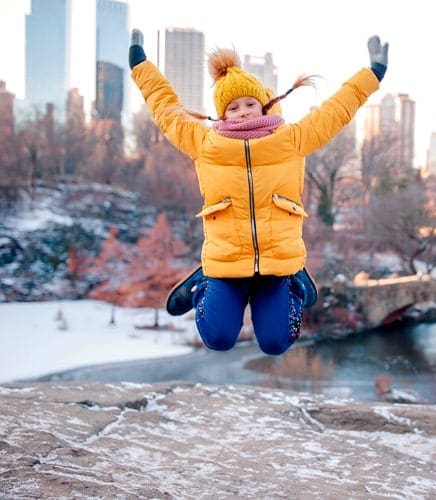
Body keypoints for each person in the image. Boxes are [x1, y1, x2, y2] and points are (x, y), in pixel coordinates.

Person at [128, 29, 388, 355]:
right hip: (225, 265)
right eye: (233, 108)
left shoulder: (291, 139)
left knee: (276, 342)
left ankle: (293, 284)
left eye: (250, 103)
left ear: (264, 106)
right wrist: (141, 67)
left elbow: (335, 111)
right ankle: (203, 286)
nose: (244, 112)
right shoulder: (206, 144)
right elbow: (165, 110)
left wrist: (372, 74)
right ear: (223, 114)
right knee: (218, 338)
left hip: (277, 265)